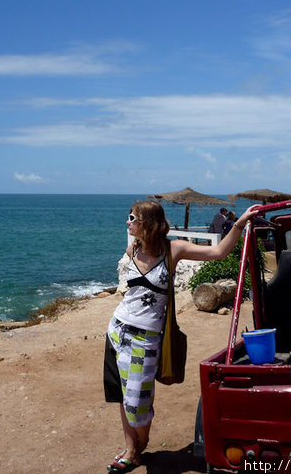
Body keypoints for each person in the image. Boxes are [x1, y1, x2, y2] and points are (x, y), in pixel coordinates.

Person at [103, 200, 260, 473]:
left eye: (132, 217)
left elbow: (220, 252)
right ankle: (132, 450)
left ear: (147, 223)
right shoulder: (133, 249)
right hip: (117, 331)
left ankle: (140, 443)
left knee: (137, 400)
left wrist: (240, 222)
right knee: (123, 395)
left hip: (147, 339)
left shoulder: (172, 250)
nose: (127, 223)